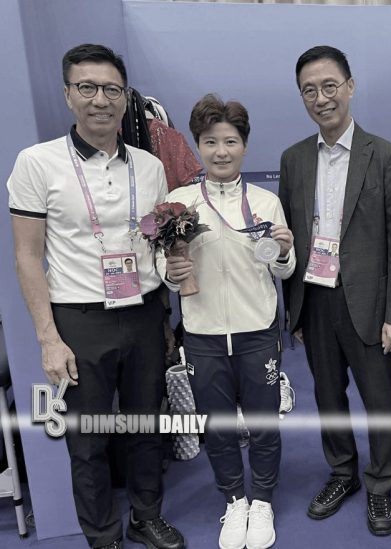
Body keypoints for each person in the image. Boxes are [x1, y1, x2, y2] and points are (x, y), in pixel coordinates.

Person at [7, 44, 184, 549]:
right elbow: (26, 256)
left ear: (126, 97)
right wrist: (48, 338)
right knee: (87, 438)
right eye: (87, 87)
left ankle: (146, 516)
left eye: (111, 89)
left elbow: (157, 242)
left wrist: (168, 300)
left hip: (144, 312)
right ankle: (102, 535)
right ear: (68, 95)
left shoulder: (149, 166)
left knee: (147, 426)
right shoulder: (37, 163)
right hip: (79, 319)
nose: (100, 100)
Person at [278, 45, 391, 536]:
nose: (321, 98)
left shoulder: (385, 155)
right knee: (327, 395)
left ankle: (381, 482)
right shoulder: (294, 159)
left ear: (350, 87)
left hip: (369, 303)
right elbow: (291, 238)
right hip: (315, 298)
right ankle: (342, 473)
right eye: (309, 90)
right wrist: (294, 312)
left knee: (379, 398)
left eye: (329, 86)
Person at [160, 94, 296, 549]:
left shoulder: (266, 202)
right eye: (210, 142)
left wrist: (283, 252)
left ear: (245, 145)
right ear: (198, 145)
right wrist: (170, 271)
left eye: (230, 141)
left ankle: (263, 500)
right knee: (216, 425)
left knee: (263, 423)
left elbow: (284, 269)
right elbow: (163, 266)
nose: (221, 151)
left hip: (258, 332)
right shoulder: (178, 204)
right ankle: (235, 499)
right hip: (202, 334)